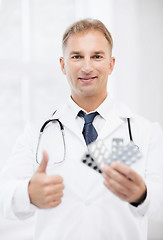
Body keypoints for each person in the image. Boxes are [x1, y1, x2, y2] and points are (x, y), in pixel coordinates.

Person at [0, 18, 163, 240]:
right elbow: (4, 195)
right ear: (63, 64)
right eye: (77, 56)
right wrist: (27, 194)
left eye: (97, 56)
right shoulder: (37, 131)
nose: (87, 67)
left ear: (111, 64)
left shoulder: (146, 132)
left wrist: (143, 195)